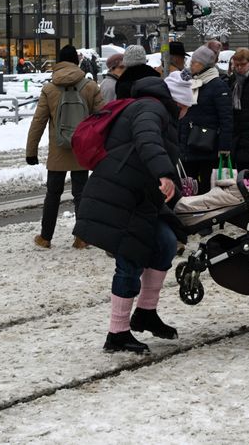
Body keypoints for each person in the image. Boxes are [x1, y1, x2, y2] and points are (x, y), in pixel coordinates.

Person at [74, 75, 189, 354]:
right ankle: (117, 333)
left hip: (139, 196)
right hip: (121, 195)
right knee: (130, 259)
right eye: (186, 105)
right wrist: (164, 173)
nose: (187, 112)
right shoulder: (151, 109)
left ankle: (146, 313)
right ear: (177, 102)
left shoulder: (152, 108)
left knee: (165, 243)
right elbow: (147, 139)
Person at [25, 44, 104, 249]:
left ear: (59, 62)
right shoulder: (90, 86)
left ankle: (45, 237)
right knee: (81, 193)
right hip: (82, 148)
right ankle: (82, 237)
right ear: (77, 62)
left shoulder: (49, 89)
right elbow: (103, 119)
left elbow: (38, 122)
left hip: (58, 150)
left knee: (53, 194)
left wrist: (31, 152)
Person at [181, 45, 233, 193]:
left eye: (194, 63)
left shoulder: (218, 86)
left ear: (203, 65)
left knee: (206, 185)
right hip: (190, 144)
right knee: (189, 186)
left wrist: (224, 146)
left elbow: (226, 118)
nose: (190, 65)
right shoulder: (192, 82)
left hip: (208, 145)